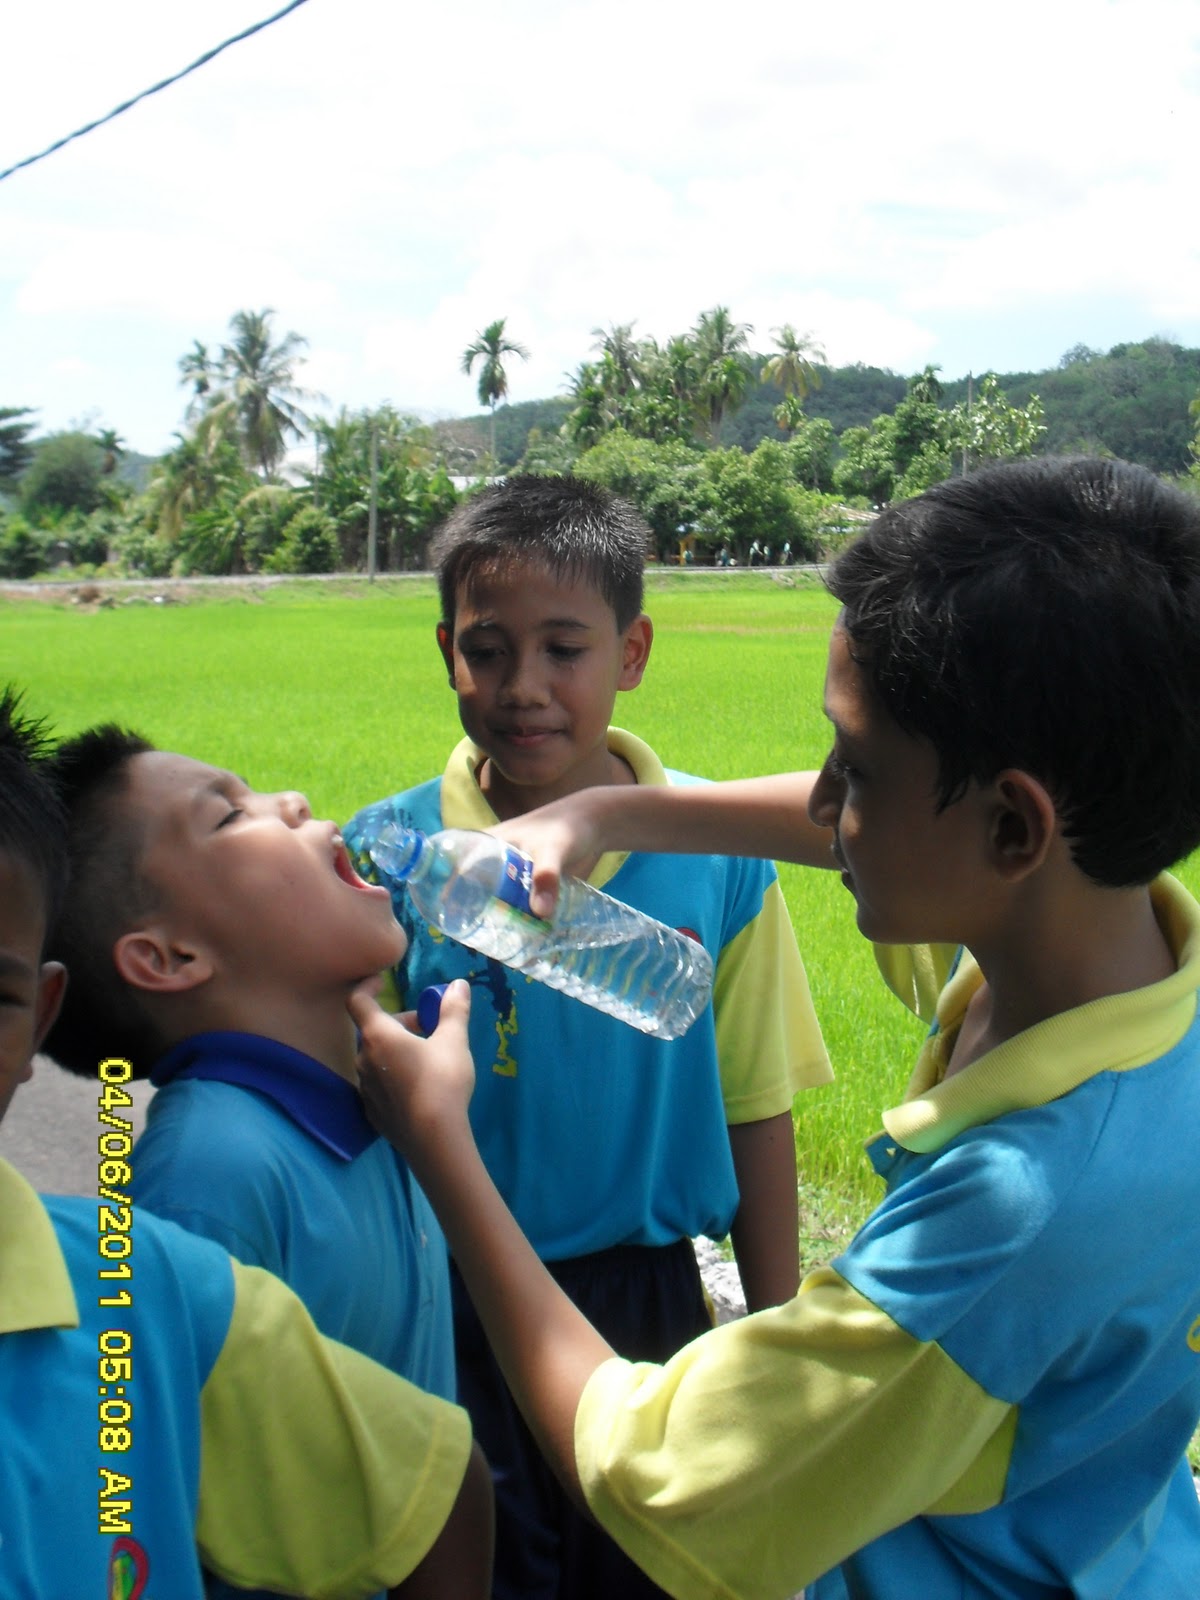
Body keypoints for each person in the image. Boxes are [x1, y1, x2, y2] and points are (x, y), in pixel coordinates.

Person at [352, 457, 1200, 1599]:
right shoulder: (1115, 960)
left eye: (852, 768)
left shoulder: (1013, 1224)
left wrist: (440, 1145)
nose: (817, 804)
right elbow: (894, 824)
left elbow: (650, 1468)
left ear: (1013, 824)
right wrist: (607, 806)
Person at [344, 473, 832, 1600]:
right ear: (445, 651)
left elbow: (756, 1103)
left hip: (651, 1301)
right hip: (450, 1299)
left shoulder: (720, 847)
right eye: (487, 649)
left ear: (634, 650)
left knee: (651, 1571)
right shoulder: (387, 854)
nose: (524, 689)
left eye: (564, 648)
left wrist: (777, 1336)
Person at [0, 687, 492, 1598]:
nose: (293, 804)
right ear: (170, 957)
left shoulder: (385, 1101)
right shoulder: (211, 1176)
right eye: (230, 814)